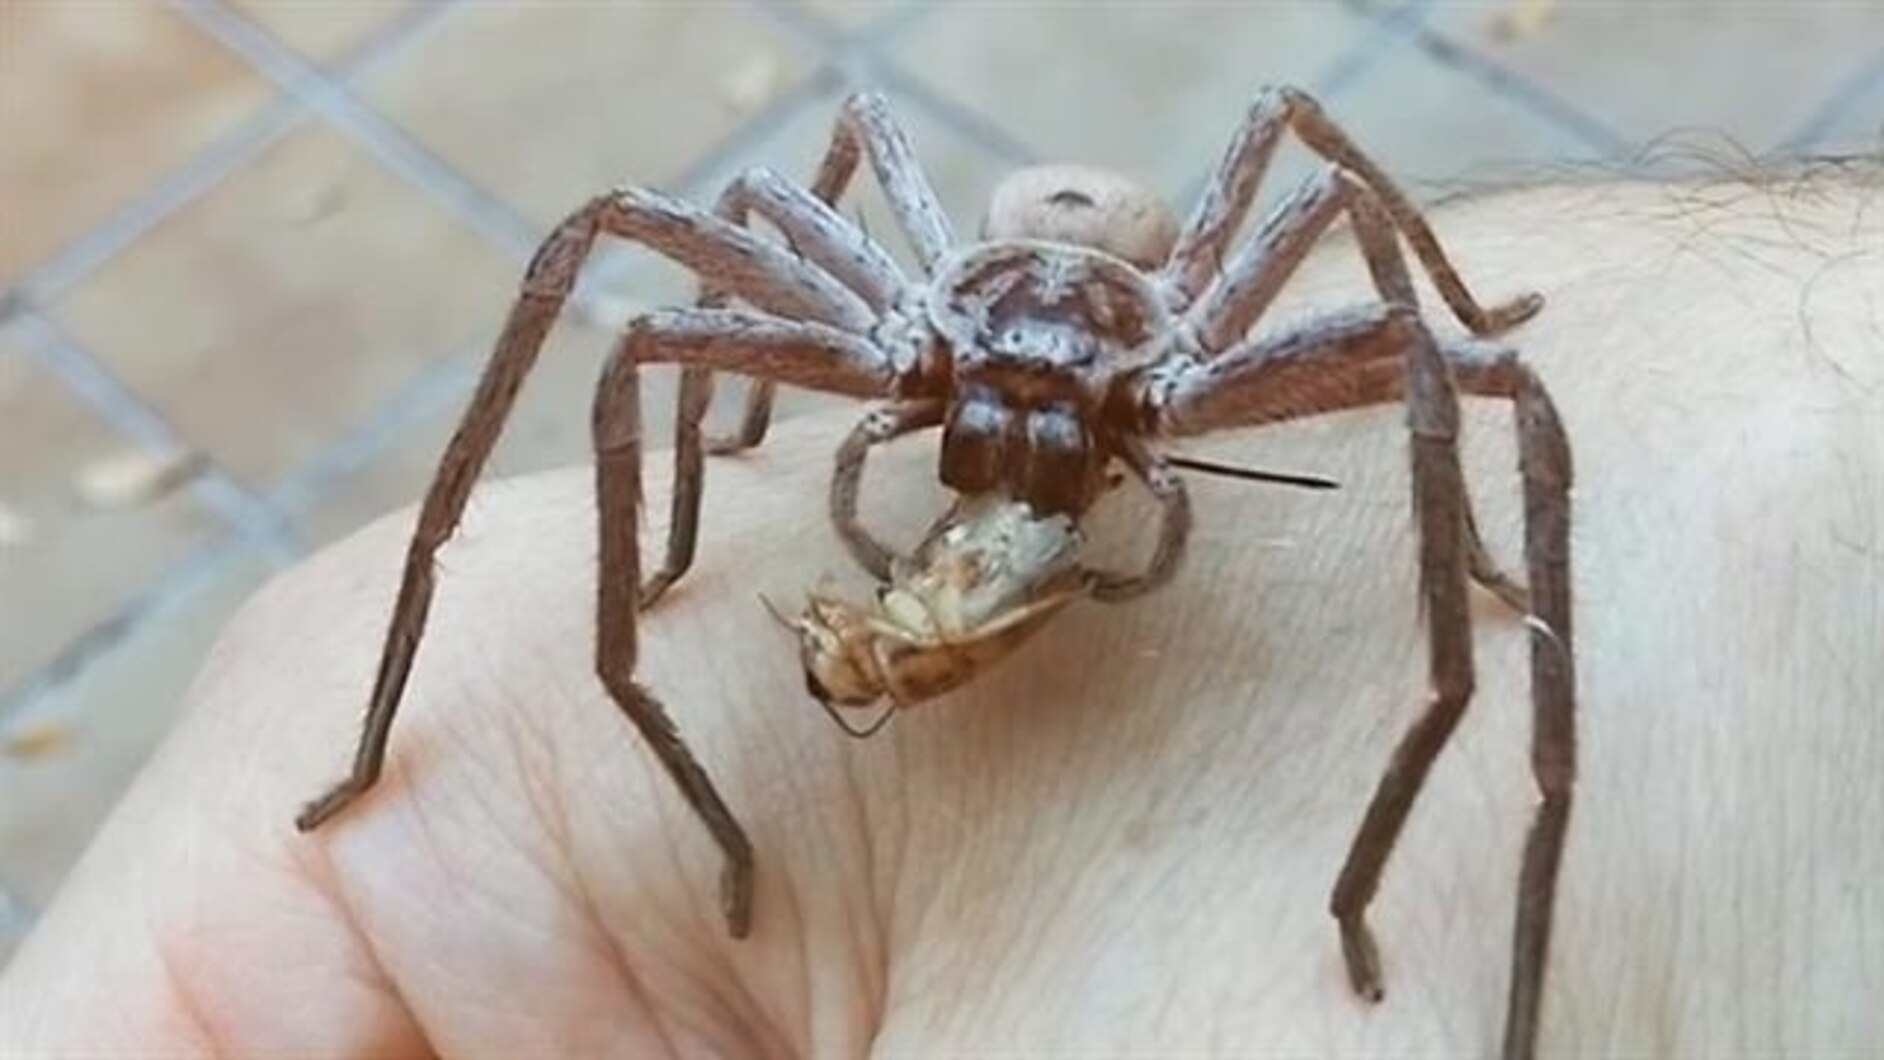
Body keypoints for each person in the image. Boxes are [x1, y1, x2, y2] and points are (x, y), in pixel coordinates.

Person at [1, 172, 1878, 1055]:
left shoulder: (1215, 338)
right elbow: (638, 281)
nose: (1017, 453)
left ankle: (1372, 884)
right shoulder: (895, 321)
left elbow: (1437, 352)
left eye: (1077, 430)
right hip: (943, 294)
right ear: (931, 366)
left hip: (1131, 306)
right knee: (628, 255)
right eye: (982, 417)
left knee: (1463, 374)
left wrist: (1471, 475)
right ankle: (565, 616)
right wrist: (660, 547)